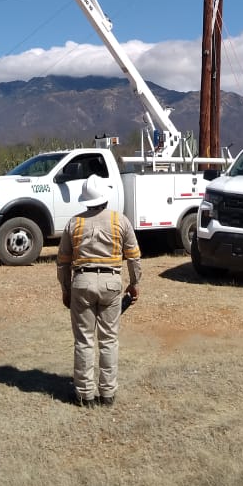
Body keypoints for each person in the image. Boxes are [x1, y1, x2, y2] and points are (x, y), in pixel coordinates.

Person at [57, 173, 142, 408]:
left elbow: (63, 261)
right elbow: (134, 257)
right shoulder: (120, 221)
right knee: (109, 340)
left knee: (84, 340)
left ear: (85, 200)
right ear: (105, 197)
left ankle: (84, 394)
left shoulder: (74, 223)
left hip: (82, 283)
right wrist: (134, 284)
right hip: (111, 284)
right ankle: (107, 394)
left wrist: (66, 289)